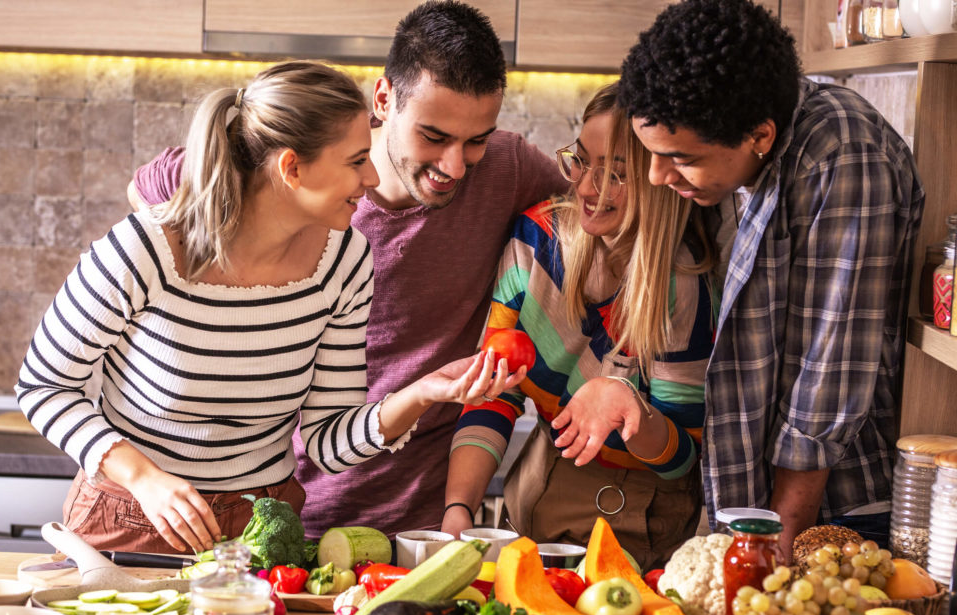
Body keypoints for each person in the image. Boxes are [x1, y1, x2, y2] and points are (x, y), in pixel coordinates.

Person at [17, 61, 523, 555]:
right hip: (130, 520)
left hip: (261, 531)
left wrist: (423, 393)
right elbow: (43, 386)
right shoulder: (146, 248)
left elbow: (328, 439)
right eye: (354, 161)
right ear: (291, 168)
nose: (371, 177)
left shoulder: (343, 261)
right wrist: (144, 477)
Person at [130, 0, 567, 539]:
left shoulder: (509, 167)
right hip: (278, 509)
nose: (455, 165)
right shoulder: (291, 180)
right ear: (384, 99)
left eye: (475, 140)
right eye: (434, 136)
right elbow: (150, 194)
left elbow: (597, 214)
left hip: (420, 525)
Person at [610, 0, 924, 558]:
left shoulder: (841, 152)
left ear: (759, 134)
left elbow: (827, 373)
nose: (658, 176)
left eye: (679, 158)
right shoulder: (750, 155)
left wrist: (775, 546)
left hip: (834, 512)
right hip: (765, 512)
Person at [442, 84, 717, 571]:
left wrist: (629, 408)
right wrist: (459, 508)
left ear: (661, 178)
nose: (587, 188)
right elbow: (494, 391)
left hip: (633, 512)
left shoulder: (681, 284)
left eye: (616, 175)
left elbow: (681, 456)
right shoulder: (535, 243)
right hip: (534, 485)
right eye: (583, 161)